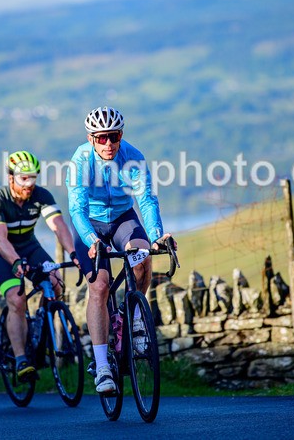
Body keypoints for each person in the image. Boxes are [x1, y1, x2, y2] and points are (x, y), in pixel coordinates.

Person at [66, 106, 175, 394]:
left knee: (142, 257)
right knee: (100, 287)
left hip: (123, 218)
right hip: (90, 223)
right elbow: (76, 208)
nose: (108, 144)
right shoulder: (80, 161)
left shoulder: (133, 157)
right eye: (101, 138)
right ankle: (102, 366)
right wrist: (91, 240)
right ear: (91, 139)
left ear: (121, 135)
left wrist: (156, 236)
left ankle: (135, 322)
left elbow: (147, 200)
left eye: (113, 136)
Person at [0, 150, 79, 381]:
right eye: (24, 178)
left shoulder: (41, 195)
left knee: (55, 283)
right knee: (17, 298)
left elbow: (59, 226)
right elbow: (0, 239)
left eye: (33, 177)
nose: (29, 183)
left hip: (28, 245)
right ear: (11, 177)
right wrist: (15, 262)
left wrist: (73, 253)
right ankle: (21, 359)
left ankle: (42, 328)